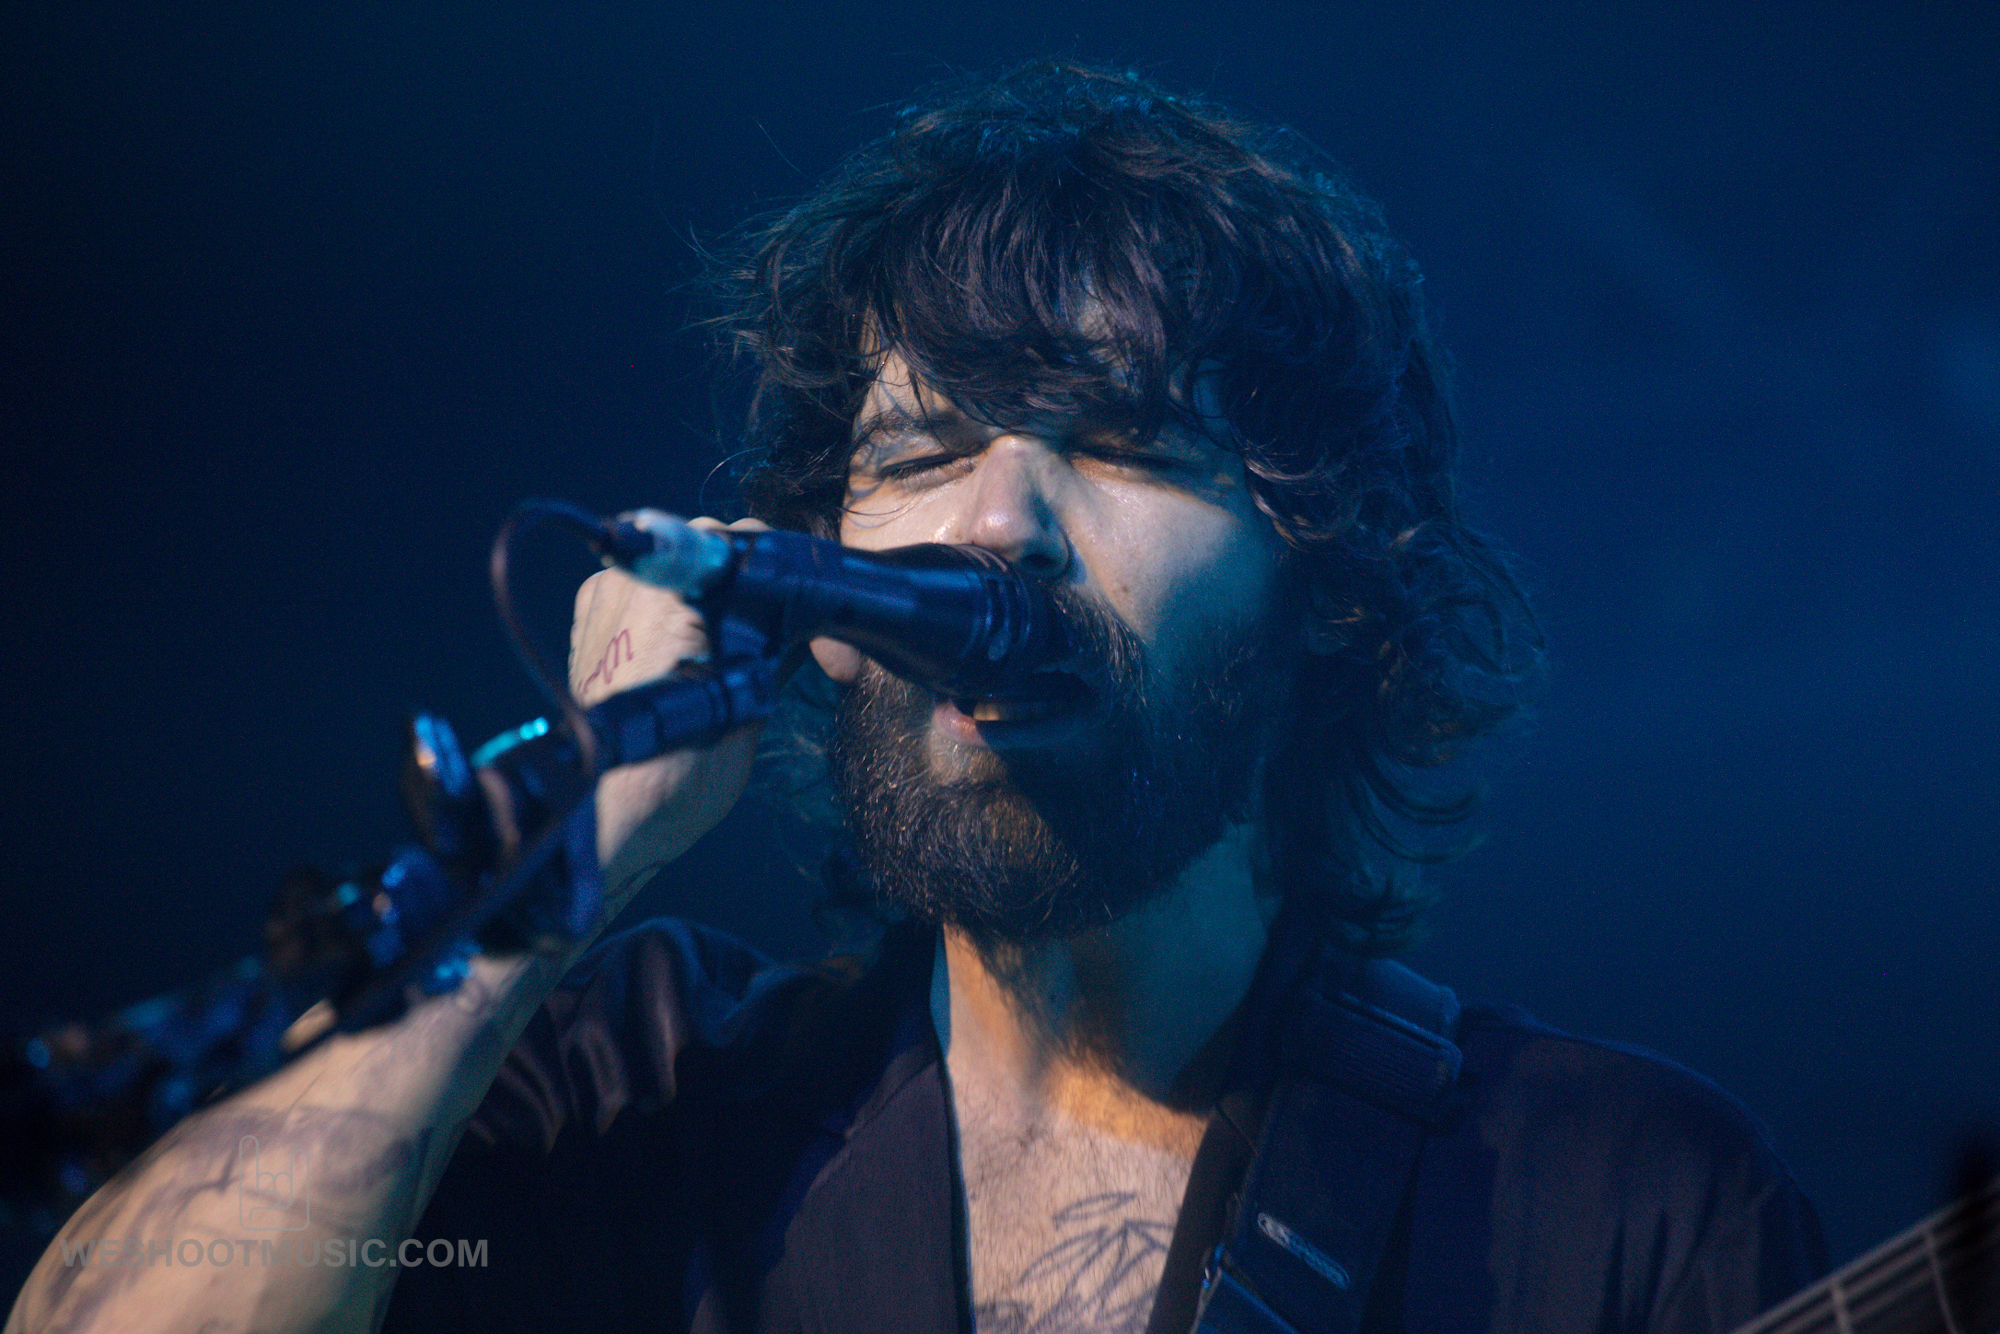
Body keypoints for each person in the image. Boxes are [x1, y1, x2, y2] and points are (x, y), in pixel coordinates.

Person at [7, 61, 1824, 1334]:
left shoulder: (1618, 1202)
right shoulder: (637, 1097)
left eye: (1117, 440)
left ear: (1328, 587)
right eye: (920, 449)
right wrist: (541, 889)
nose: (993, 521)